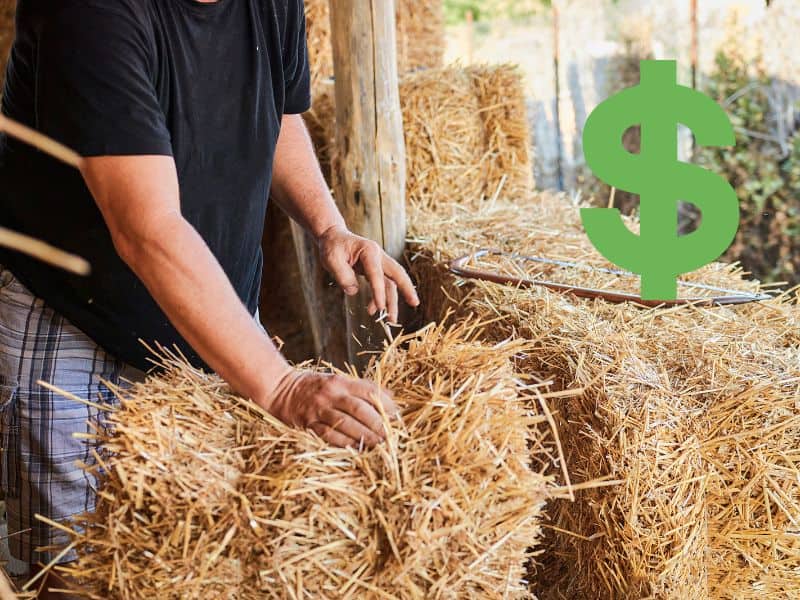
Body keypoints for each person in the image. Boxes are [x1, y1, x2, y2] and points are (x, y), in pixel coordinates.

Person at [0, 0, 419, 595]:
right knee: (79, 576)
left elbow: (274, 112)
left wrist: (329, 226)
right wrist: (281, 386)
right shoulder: (89, 12)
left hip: (214, 316)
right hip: (77, 326)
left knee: (207, 568)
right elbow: (147, 230)